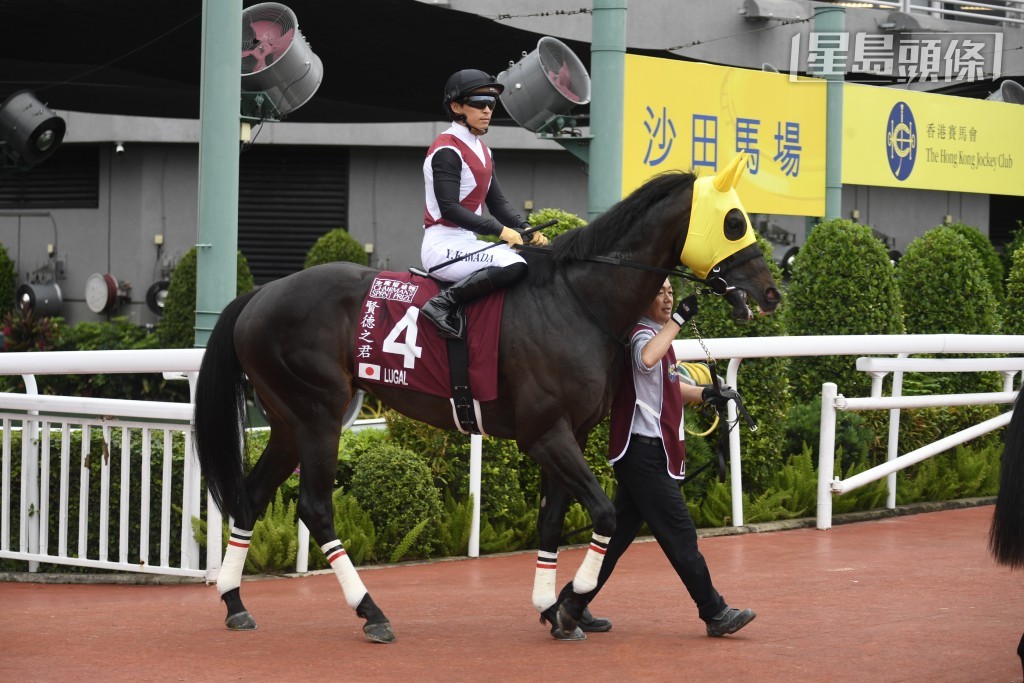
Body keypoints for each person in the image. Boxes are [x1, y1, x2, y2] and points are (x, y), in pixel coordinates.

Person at [557, 278, 756, 638]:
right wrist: (678, 320)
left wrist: (708, 393)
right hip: (642, 453)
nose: (667, 298)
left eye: (670, 292)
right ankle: (715, 612)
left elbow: (667, 385)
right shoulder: (638, 332)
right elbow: (646, 360)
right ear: (642, 297)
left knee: (614, 538)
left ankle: (572, 604)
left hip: (648, 453)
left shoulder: (657, 335)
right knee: (680, 534)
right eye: (659, 292)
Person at [419, 68, 548, 340]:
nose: (487, 110)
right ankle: (441, 303)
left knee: (532, 259)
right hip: (442, 246)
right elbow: (449, 209)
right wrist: (500, 231)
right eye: (479, 103)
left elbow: (498, 202)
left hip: (466, 242)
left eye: (491, 103)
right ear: (456, 107)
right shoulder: (447, 150)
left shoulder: (484, 151)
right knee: (515, 265)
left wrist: (525, 227)